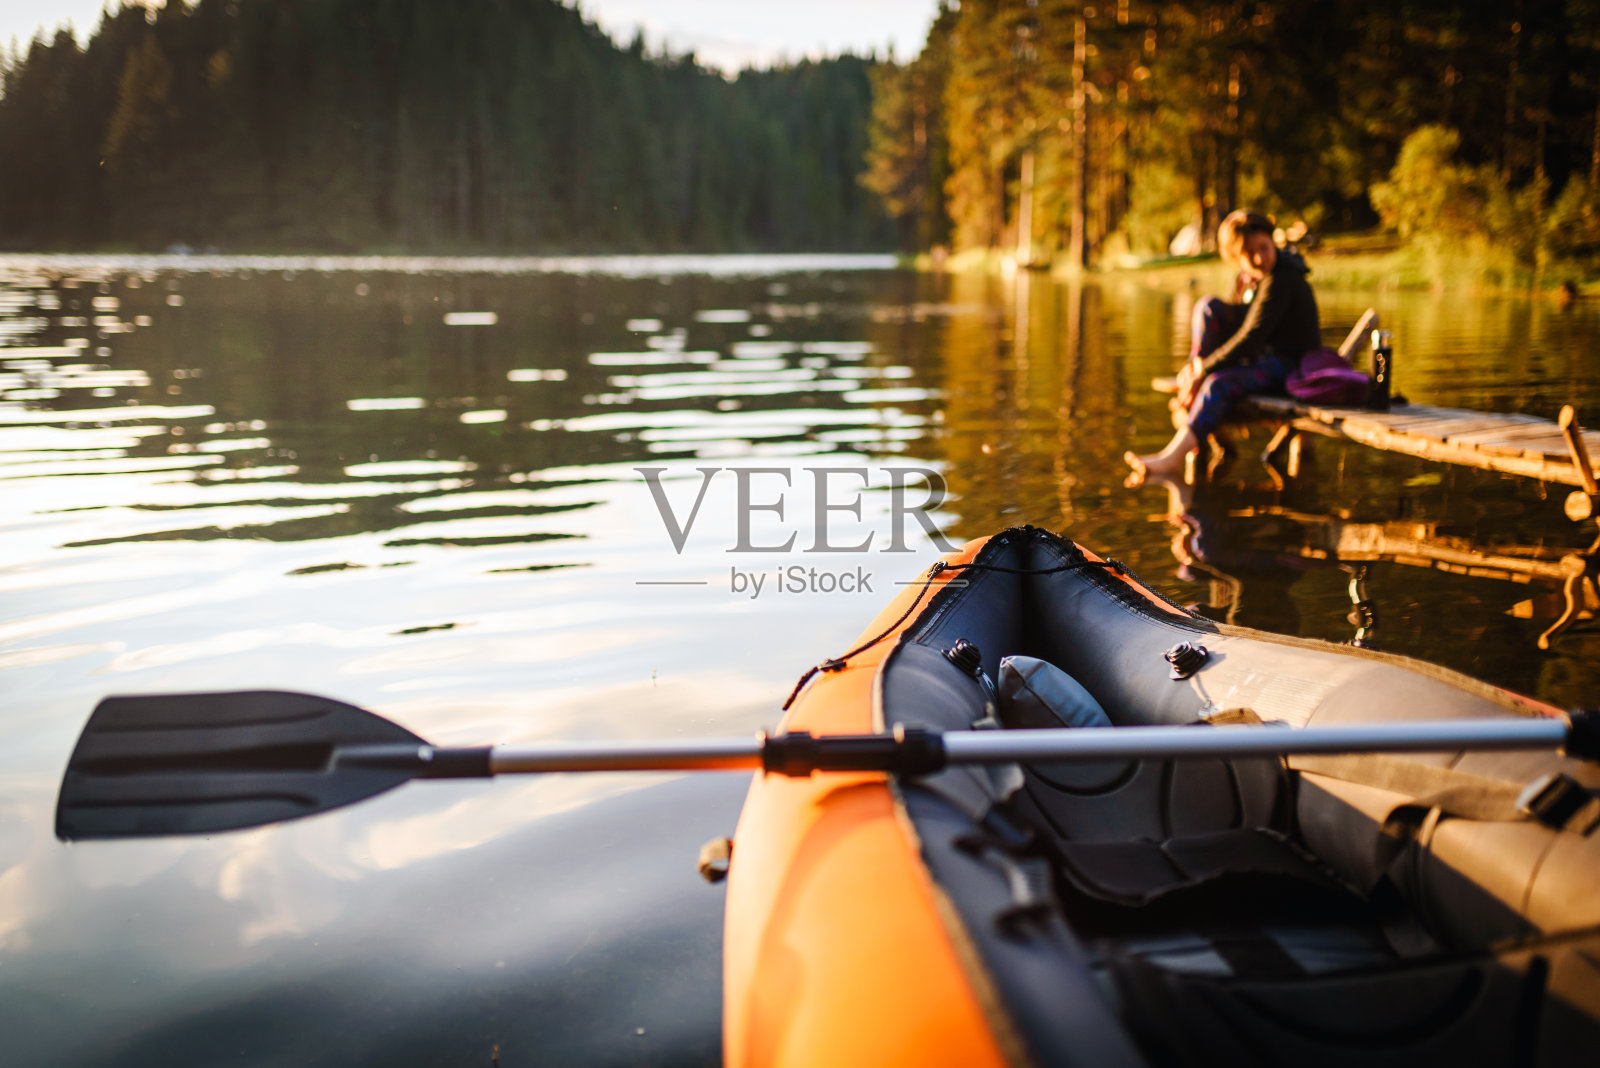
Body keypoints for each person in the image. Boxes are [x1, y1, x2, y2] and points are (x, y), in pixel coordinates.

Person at [1124, 210, 1322, 486]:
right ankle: (1195, 384)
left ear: (1272, 241)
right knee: (1208, 307)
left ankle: (1171, 458)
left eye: (1264, 248)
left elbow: (1251, 337)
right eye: (1249, 254)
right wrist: (1198, 368)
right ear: (1235, 257)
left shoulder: (1282, 278)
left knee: (1218, 384)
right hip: (1261, 360)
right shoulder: (1247, 279)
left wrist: (1203, 370)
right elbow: (1227, 333)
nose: (1259, 258)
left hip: (1292, 368)